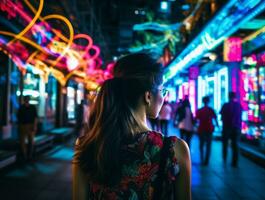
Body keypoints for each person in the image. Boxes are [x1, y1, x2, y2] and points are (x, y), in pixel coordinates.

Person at [73, 53, 191, 200]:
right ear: (148, 96)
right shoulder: (174, 150)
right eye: (163, 90)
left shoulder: (86, 145)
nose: (163, 96)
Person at [220, 92, 242, 167]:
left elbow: (222, 116)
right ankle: (234, 162)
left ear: (228, 96)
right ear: (235, 97)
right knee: (235, 145)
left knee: (225, 144)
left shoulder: (225, 105)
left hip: (227, 127)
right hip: (237, 127)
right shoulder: (239, 105)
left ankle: (224, 158)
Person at [196, 96, 218, 165]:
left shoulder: (200, 110)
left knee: (201, 144)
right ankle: (206, 160)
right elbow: (215, 119)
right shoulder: (211, 110)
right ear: (208, 102)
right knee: (209, 145)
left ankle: (202, 159)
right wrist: (217, 126)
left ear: (203, 101)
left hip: (201, 128)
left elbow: (196, 119)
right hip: (209, 129)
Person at [17, 95, 38, 161]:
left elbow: (35, 117)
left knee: (31, 141)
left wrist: (35, 126)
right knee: (23, 142)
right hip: (23, 126)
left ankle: (29, 155)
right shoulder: (21, 107)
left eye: (27, 99)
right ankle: (25, 156)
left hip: (30, 125)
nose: (26, 100)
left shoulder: (32, 107)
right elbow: (19, 117)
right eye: (26, 99)